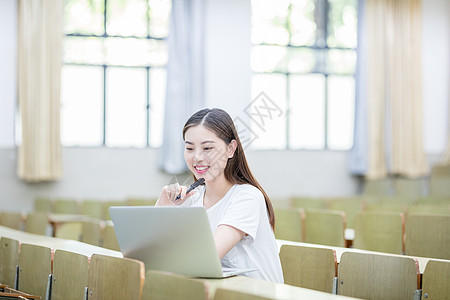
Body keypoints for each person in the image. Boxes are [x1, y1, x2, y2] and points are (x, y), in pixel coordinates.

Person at [156, 108, 284, 283]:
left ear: (231, 149)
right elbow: (151, 255)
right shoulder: (191, 198)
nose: (197, 157)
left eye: (208, 148)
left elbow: (204, 258)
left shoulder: (247, 197)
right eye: (189, 148)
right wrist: (163, 208)